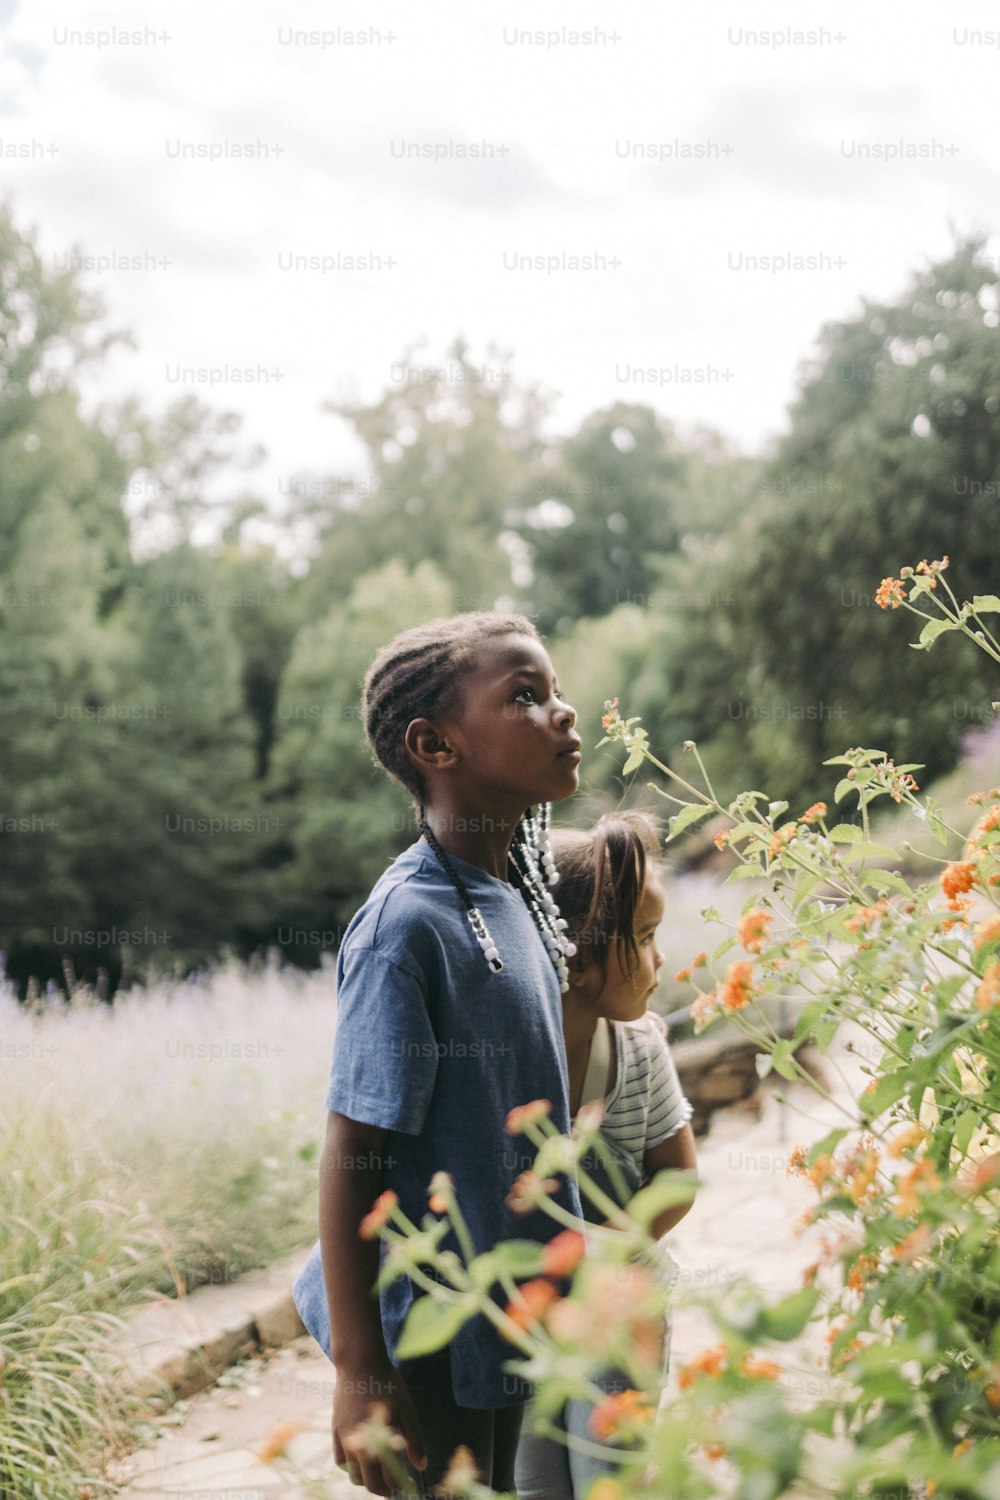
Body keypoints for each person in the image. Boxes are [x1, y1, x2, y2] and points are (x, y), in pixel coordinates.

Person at [292, 611, 585, 1497]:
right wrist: (360, 1375)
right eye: (526, 697)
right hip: (430, 1337)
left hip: (509, 1319)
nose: (564, 713)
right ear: (434, 745)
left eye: (555, 689)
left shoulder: (511, 891)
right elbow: (353, 1149)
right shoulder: (404, 929)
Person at [514, 811, 699, 1500]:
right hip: (524, 1323)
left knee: (610, 1482)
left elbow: (677, 1179)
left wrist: (604, 1256)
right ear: (578, 960)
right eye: (645, 940)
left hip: (621, 1314)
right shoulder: (502, 1062)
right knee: (531, 1480)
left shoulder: (640, 1048)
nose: (658, 964)